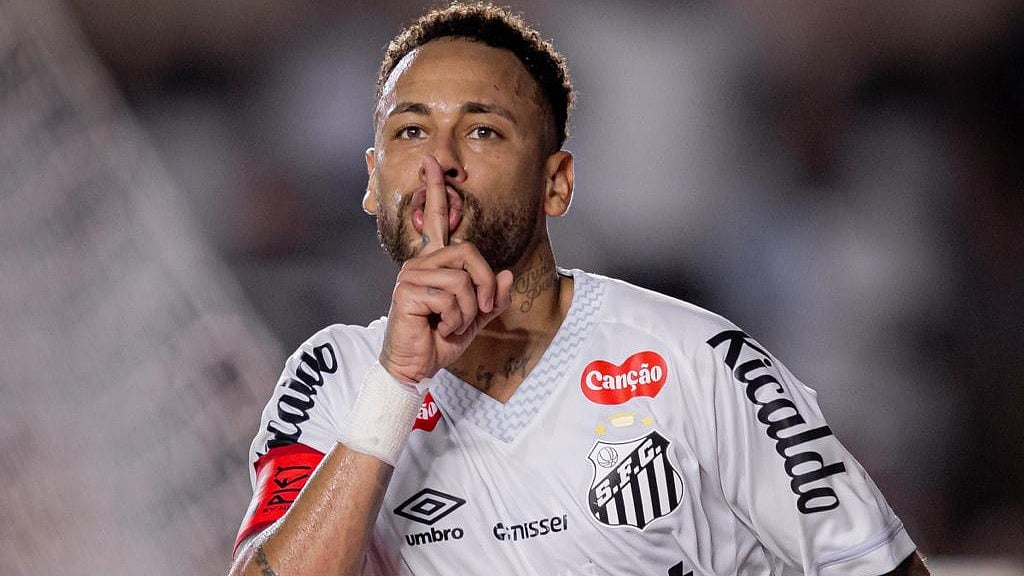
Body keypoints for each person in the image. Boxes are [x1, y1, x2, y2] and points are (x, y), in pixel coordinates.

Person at [229, 3, 931, 575]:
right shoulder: (335, 378)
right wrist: (398, 386)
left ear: (556, 182)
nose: (438, 162)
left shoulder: (696, 361)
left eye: (482, 130)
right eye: (410, 130)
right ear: (373, 180)